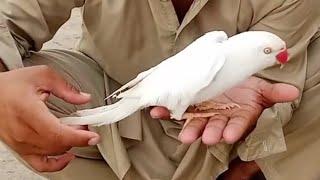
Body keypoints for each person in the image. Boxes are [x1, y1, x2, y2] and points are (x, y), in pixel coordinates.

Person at [0, 0, 319, 179]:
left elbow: (280, 75)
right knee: (21, 85)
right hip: (118, 115)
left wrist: (247, 159)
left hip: (236, 142)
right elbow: (9, 17)